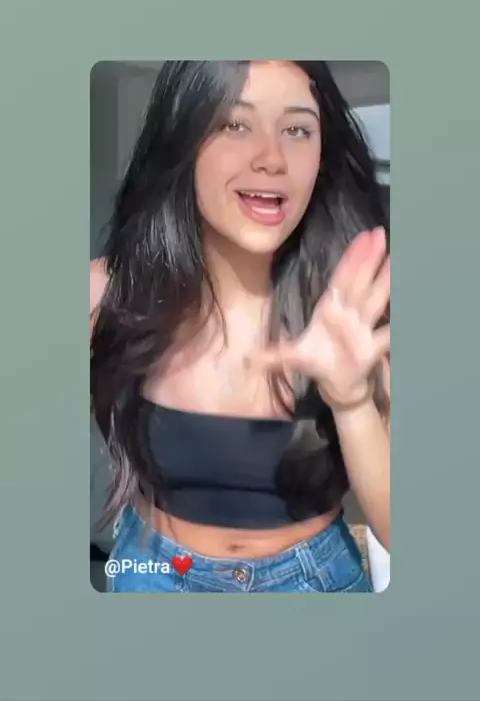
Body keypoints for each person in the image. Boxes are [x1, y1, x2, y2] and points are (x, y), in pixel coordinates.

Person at [90, 60, 390, 593]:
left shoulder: (359, 310)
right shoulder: (107, 293)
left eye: (297, 129)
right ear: (183, 141)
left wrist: (352, 402)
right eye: (234, 123)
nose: (271, 158)